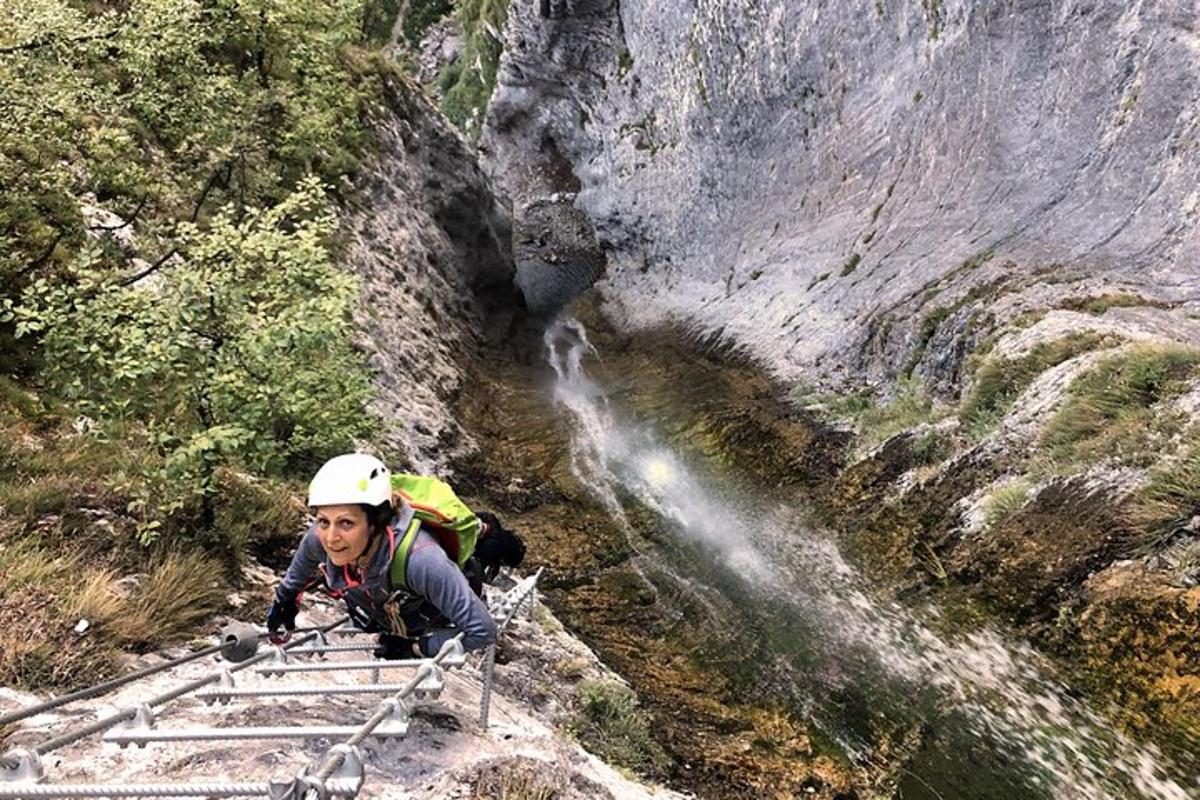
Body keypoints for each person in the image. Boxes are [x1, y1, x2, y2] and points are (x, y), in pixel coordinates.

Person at [266, 453, 523, 659]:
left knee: (490, 550)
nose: (331, 538)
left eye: (346, 524)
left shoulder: (423, 561)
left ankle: (489, 537)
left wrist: (416, 648)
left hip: (432, 613)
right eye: (323, 521)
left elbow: (483, 631)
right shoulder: (318, 538)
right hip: (384, 607)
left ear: (376, 522)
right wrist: (282, 607)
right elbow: (292, 584)